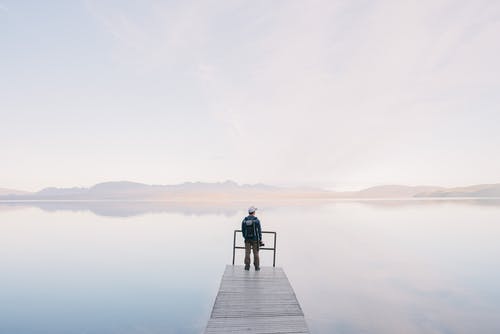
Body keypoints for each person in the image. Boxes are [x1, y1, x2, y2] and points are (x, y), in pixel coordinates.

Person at [242, 206, 262, 271]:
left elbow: (243, 230)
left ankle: (247, 266)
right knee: (255, 253)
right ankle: (256, 267)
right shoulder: (256, 220)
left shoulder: (245, 220)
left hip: (247, 239)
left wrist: (245, 236)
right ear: (253, 212)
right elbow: (259, 230)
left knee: (247, 252)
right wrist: (260, 239)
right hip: (255, 239)